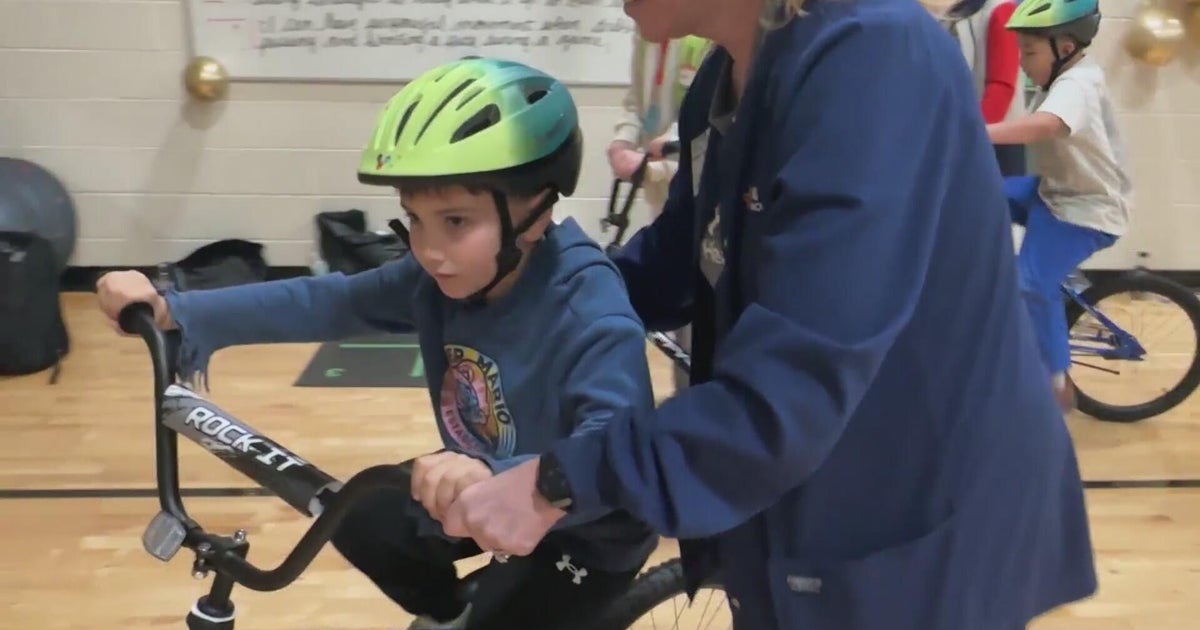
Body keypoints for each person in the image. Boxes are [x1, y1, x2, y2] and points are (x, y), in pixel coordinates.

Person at [436, 0, 1099, 629]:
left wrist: (559, 480)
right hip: (810, 490)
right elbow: (677, 261)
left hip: (920, 507)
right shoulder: (727, 79)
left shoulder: (874, 57)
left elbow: (790, 386)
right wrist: (510, 295)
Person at [94, 57, 659, 630]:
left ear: (535, 214)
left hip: (587, 522)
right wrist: (175, 308)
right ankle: (451, 612)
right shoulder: (440, 277)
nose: (429, 249)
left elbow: (618, 444)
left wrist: (515, 479)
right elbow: (331, 301)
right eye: (414, 219)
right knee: (358, 514)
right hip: (478, 478)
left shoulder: (588, 308)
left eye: (456, 222)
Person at [986, 0, 1130, 410]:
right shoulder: (1059, 78)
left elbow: (1048, 124)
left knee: (1030, 283)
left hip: (1083, 211)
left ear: (1064, 48)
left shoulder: (1077, 84)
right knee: (981, 197)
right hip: (1055, 190)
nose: (1021, 63)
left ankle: (1055, 385)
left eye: (1029, 52)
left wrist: (977, 132)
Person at [609, 33, 713, 390]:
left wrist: (662, 154)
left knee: (702, 316)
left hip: (688, 182)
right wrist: (623, 140)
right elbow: (637, 102)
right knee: (678, 314)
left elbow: (700, 130)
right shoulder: (648, 30)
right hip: (663, 190)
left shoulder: (710, 37)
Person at [942, 0, 1028, 175]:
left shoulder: (1000, 10)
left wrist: (968, 135)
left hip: (995, 139)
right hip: (964, 132)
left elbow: (1001, 88)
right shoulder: (952, 12)